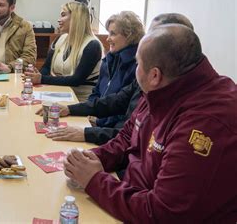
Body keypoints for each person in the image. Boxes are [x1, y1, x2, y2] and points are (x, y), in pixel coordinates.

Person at [64, 25, 237, 222]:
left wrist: (95, 180)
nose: (135, 70)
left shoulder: (206, 122)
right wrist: (92, 159)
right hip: (129, 195)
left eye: (137, 63)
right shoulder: (166, 86)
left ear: (154, 75)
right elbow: (128, 136)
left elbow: (162, 213)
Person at [40, 13, 194, 146]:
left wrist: (89, 132)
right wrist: (71, 110)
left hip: (108, 134)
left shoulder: (141, 69)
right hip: (105, 131)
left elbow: (129, 133)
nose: (107, 39)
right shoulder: (112, 60)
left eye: (113, 34)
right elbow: (115, 102)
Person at [24, 1, 102, 100]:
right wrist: (35, 75)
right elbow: (47, 68)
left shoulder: (92, 45)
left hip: (81, 101)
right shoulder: (60, 39)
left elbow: (76, 80)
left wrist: (41, 79)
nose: (58, 20)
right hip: (57, 95)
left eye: (63, 15)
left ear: (76, 18)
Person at [87, 11, 144, 128]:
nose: (107, 39)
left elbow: (124, 108)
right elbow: (96, 92)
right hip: (96, 122)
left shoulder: (137, 67)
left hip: (110, 131)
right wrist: (90, 111)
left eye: (112, 34)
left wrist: (99, 121)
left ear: (129, 35)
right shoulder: (108, 60)